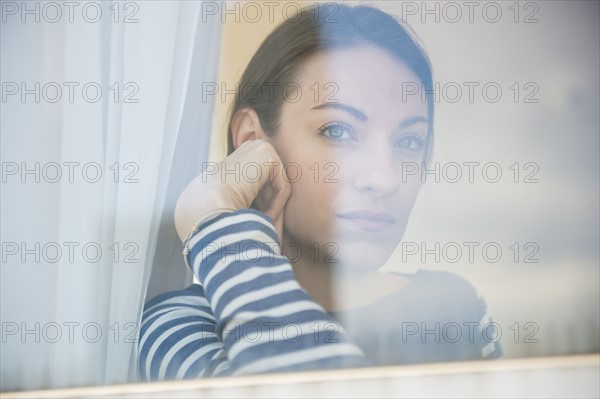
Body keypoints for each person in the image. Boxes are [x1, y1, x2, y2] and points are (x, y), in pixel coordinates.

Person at [138, 3, 502, 381]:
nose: (385, 178)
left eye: (409, 140)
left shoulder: (450, 308)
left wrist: (210, 217)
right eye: (337, 131)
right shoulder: (179, 325)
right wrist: (216, 214)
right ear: (251, 142)